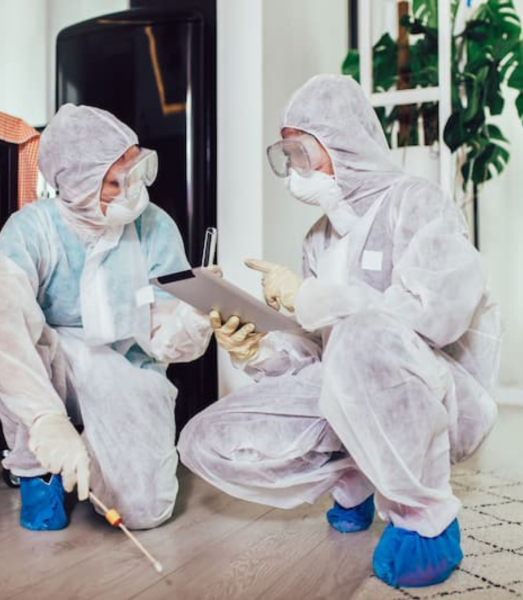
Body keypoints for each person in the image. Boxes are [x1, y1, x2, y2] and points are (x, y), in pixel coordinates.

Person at [178, 74, 501, 588]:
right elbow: (318, 354)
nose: (292, 170)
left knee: (363, 335)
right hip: (347, 394)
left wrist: (311, 299)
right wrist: (258, 349)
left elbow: (440, 315)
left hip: (440, 397)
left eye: (301, 152)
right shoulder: (318, 239)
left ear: (343, 144)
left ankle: (427, 519)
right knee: (204, 440)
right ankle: (357, 473)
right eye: (285, 155)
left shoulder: (415, 202)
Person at [0, 104, 212, 532]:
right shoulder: (34, 228)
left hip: (126, 367)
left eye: (136, 171)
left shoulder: (154, 226)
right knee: (6, 316)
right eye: (117, 180)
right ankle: (37, 470)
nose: (133, 189)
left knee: (143, 510)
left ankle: (93, 455)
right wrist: (46, 418)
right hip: (50, 369)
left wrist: (193, 320)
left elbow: (163, 327)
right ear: (76, 184)